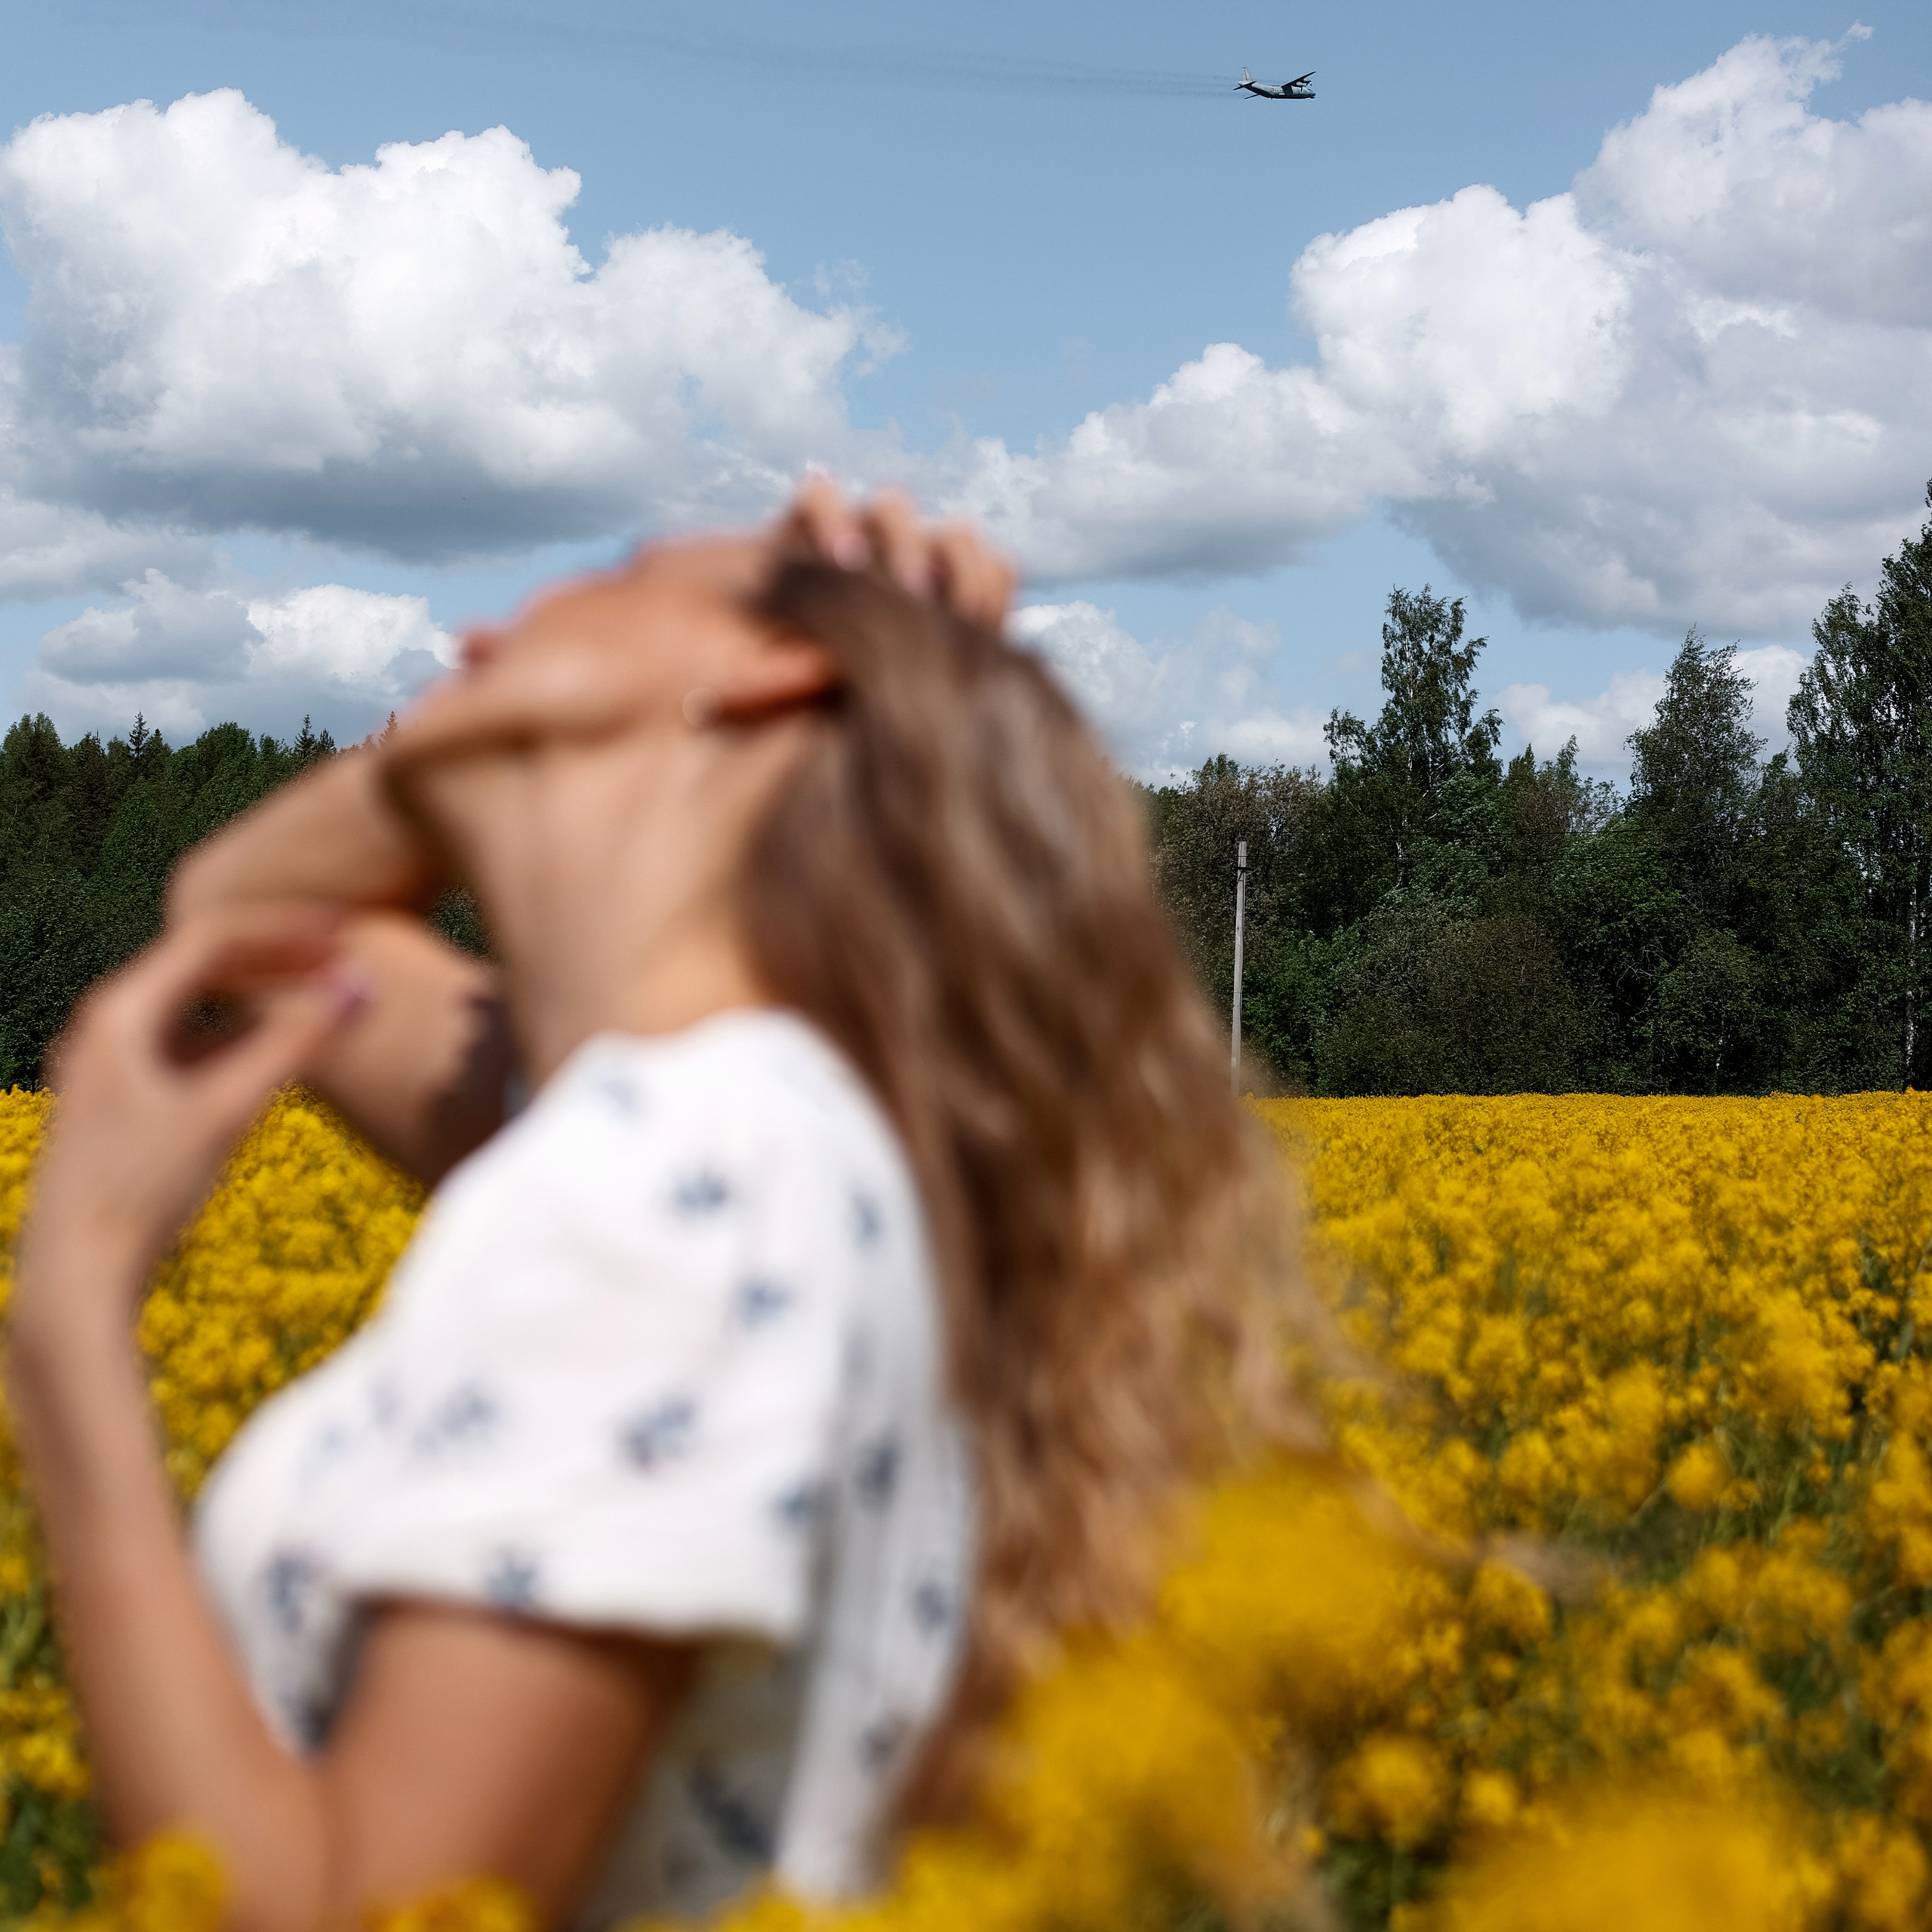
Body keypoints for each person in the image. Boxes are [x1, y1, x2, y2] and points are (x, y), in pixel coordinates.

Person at [8, 484, 1314, 1932]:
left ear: (766, 673)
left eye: (616, 575)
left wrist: (69, 1320)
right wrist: (467, 733)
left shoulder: (692, 1181)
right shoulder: (728, 1134)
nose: (482, 622)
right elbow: (241, 925)